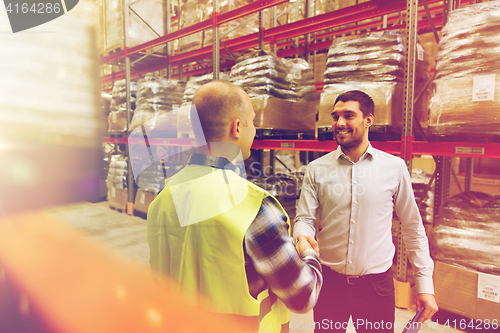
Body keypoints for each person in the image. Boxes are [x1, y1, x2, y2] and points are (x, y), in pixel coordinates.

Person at [147, 81, 322, 333]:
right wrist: (308, 254)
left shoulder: (162, 200)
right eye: (252, 121)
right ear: (237, 127)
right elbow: (302, 296)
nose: (255, 130)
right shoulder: (254, 208)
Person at [293, 90, 438, 332]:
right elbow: (305, 218)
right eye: (335, 116)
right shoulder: (317, 169)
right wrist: (302, 236)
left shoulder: (394, 168)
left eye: (348, 115)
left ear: (368, 119)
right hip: (330, 283)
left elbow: (412, 227)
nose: (339, 123)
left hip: (376, 287)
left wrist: (424, 283)